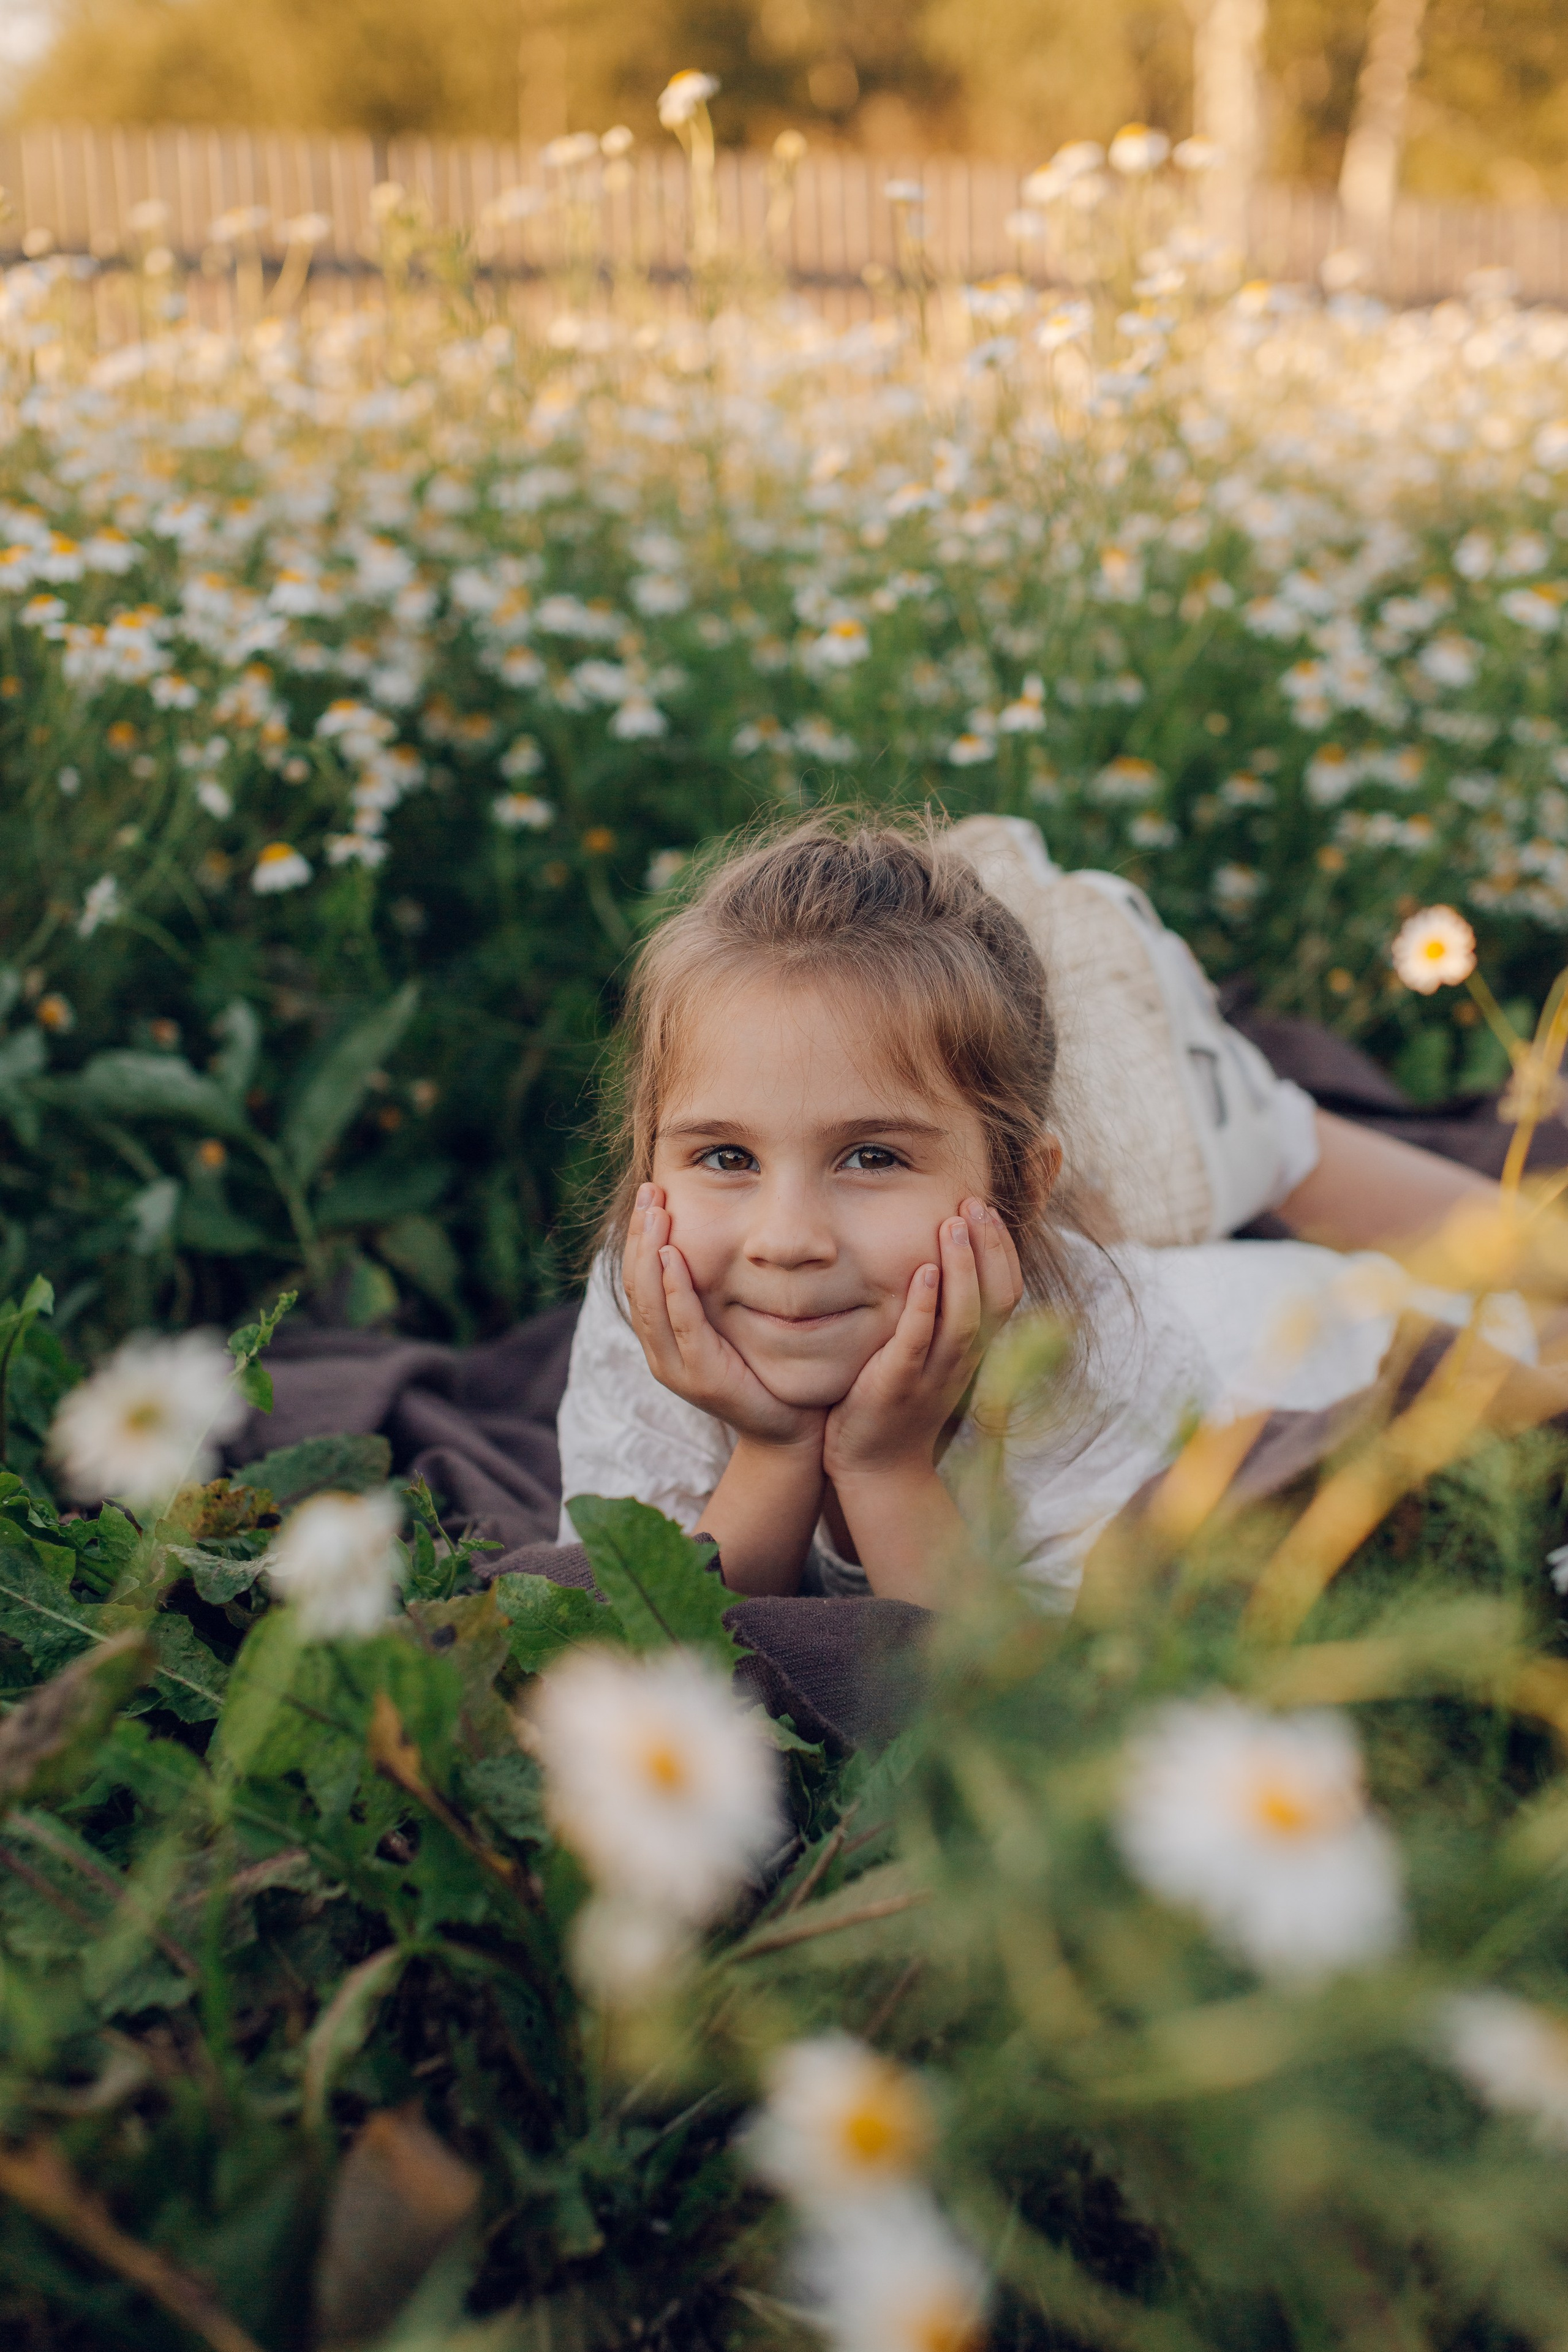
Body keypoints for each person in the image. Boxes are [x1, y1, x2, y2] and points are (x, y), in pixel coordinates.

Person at [556, 814, 1530, 1611]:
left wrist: (886, 1468)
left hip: (1308, 1329)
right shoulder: (653, 1288)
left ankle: (1255, 1133)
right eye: (725, 1157)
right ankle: (1200, 1133)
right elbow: (652, 1646)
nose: (786, 1241)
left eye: (872, 1156)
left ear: (1021, 1191)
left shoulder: (1105, 1366)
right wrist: (775, 1456)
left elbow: (1034, 1707)